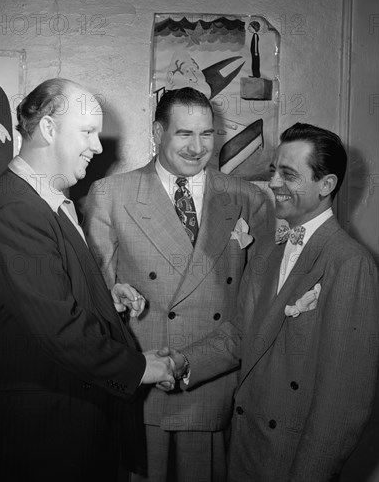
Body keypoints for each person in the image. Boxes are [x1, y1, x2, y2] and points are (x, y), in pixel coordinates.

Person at [0, 78, 175, 482]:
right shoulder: (18, 211)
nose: (98, 147)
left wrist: (103, 295)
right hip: (39, 439)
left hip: (57, 427)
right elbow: (59, 327)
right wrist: (139, 368)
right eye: (87, 132)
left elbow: (43, 294)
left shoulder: (43, 199)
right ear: (48, 128)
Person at [173, 123, 379, 482]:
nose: (272, 183)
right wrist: (181, 362)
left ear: (326, 185)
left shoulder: (349, 263)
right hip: (245, 450)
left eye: (289, 175)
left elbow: (343, 404)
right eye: (273, 171)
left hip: (292, 463)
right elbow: (242, 334)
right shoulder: (270, 249)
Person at [83, 87, 271, 482]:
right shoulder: (110, 195)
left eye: (207, 134)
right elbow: (95, 305)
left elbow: (254, 309)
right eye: (184, 133)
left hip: (213, 388)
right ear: (157, 132)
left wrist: (195, 363)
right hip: (139, 390)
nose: (197, 147)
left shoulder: (249, 199)